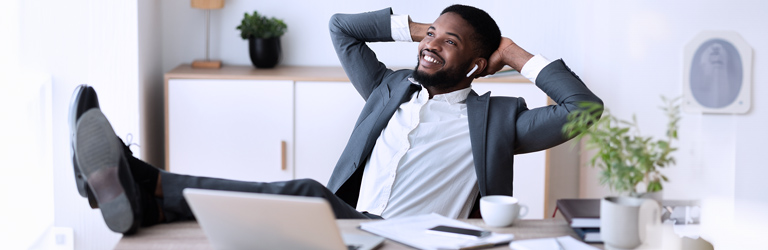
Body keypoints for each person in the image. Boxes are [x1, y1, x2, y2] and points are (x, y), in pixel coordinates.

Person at [70, 4, 602, 235]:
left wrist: (511, 51)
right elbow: (341, 28)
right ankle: (136, 185)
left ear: (478, 64)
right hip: (350, 229)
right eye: (431, 37)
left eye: (450, 42)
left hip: (409, 239)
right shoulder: (389, 88)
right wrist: (420, 30)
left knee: (303, 189)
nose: (433, 46)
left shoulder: (499, 121)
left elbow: (584, 111)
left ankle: (136, 182)